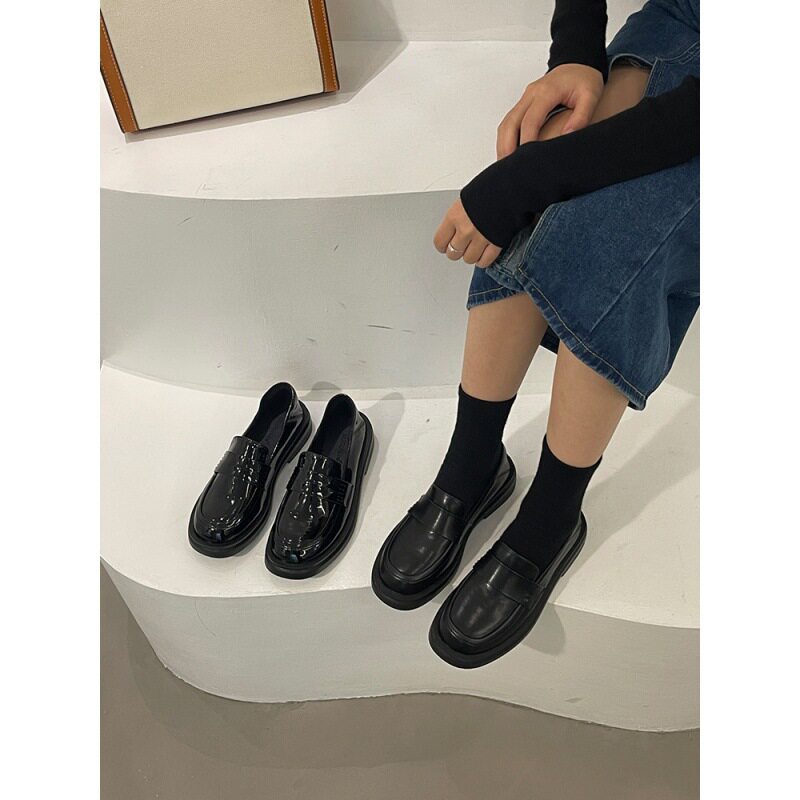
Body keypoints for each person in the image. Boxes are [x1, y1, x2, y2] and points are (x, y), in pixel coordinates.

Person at [371, 0, 700, 668]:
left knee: (608, 241)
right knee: (542, 188)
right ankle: (473, 463)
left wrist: (525, 178)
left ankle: (553, 515)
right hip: (680, 19)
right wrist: (574, 51)